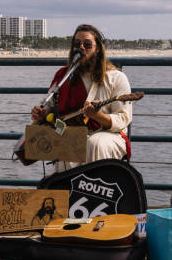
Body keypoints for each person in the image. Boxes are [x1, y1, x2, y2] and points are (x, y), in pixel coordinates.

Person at [31, 24, 133, 173]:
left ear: (98, 49)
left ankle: (95, 193)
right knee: (69, 141)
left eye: (87, 44)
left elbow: (123, 118)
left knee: (94, 143)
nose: (81, 48)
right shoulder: (63, 76)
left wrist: (99, 117)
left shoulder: (116, 77)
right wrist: (42, 112)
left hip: (109, 136)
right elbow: (49, 105)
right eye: (77, 44)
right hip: (72, 134)